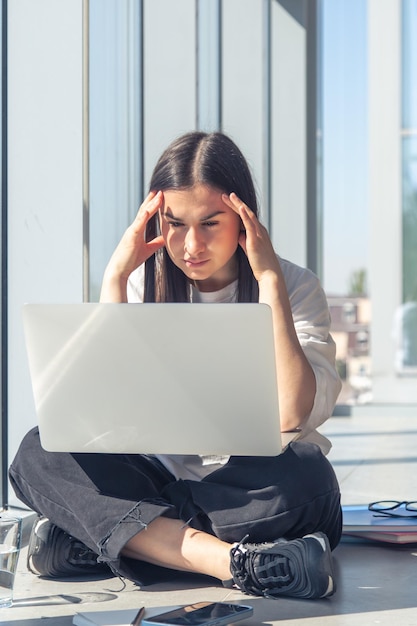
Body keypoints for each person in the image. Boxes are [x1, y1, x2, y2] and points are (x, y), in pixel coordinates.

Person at [10, 131, 342, 600]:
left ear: (245, 218)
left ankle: (116, 538)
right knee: (38, 451)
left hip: (247, 490)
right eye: (175, 224)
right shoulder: (144, 285)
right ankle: (237, 562)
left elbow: (291, 413)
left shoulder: (293, 286)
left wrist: (267, 279)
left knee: (308, 478)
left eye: (210, 223)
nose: (190, 246)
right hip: (166, 484)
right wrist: (115, 279)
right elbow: (103, 418)